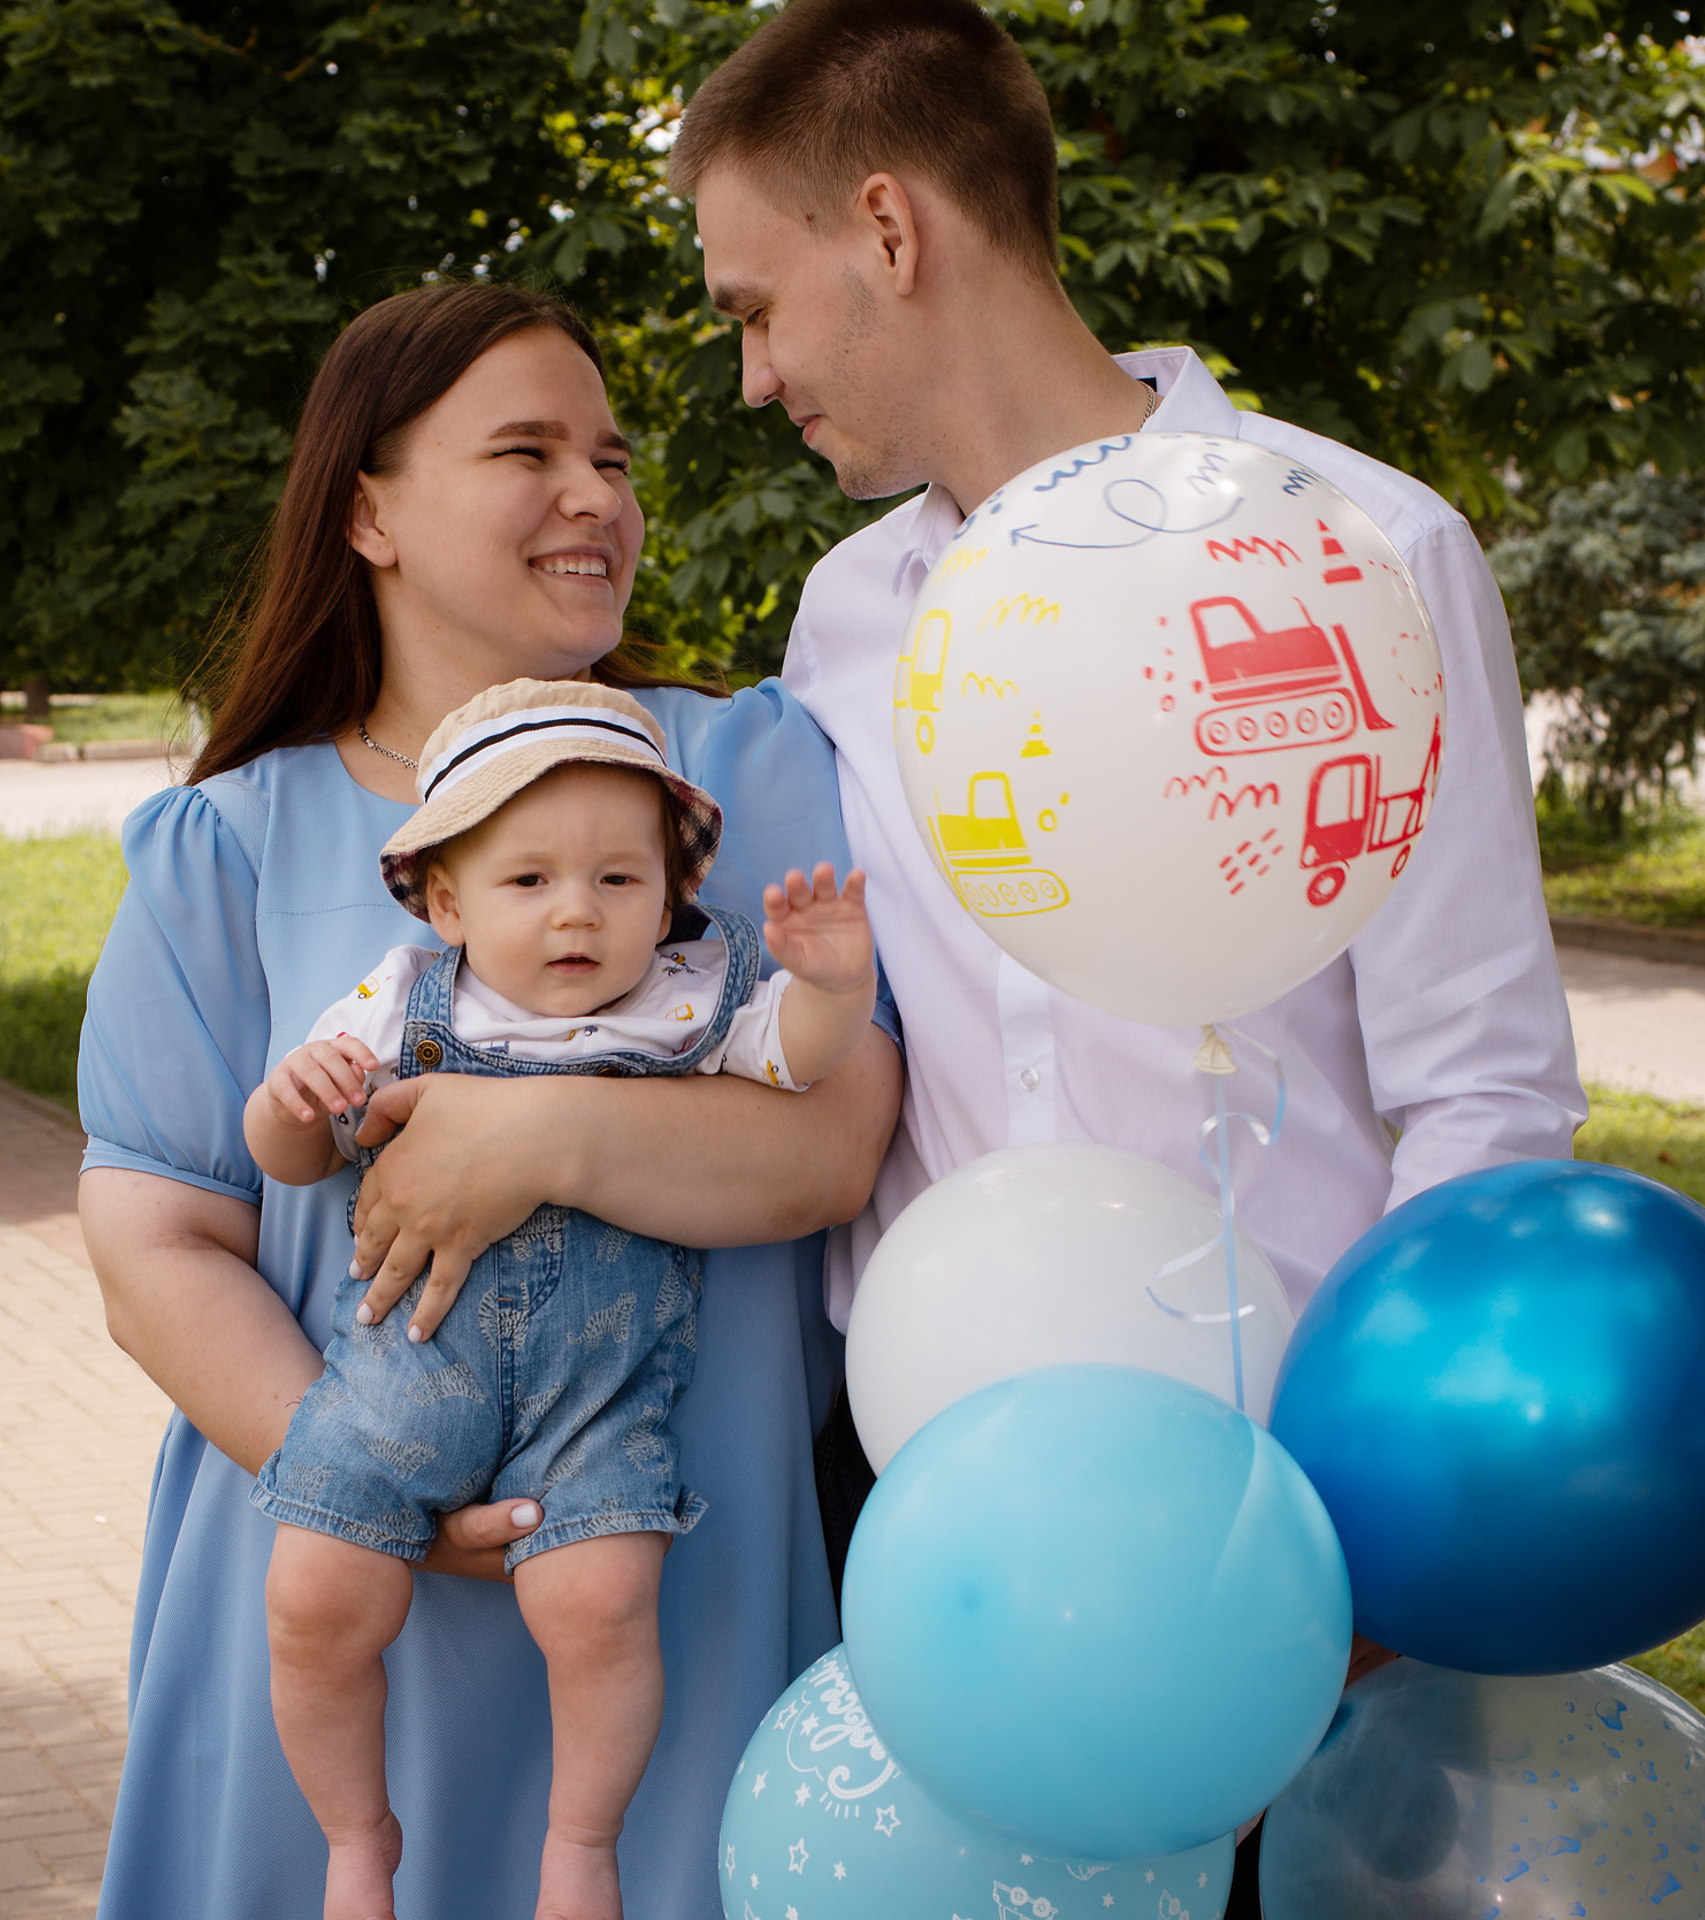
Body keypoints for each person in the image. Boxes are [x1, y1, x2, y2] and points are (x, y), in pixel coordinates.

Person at [669, 0, 1583, 1906]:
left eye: (756, 306)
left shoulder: (1360, 557)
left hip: (1283, 1528)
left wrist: (1367, 1540)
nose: (752, 377)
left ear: (891, 231)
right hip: (946, 1533)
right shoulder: (847, 621)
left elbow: (1481, 1092)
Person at [75, 282, 902, 1918]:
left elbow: (832, 1143)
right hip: (336, 1564)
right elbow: (154, 1236)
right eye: (527, 450)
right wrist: (363, 1482)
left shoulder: (743, 770)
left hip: (679, 1554)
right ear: (367, 510)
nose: (597, 495)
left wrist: (529, 1140)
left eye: (612, 453)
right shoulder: (228, 843)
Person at [246, 676, 877, 1920]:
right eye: (527, 882)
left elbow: (800, 1067)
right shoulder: (400, 1000)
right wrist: (293, 1097)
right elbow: (294, 1157)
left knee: (598, 1603)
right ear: (446, 899)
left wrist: (832, 986)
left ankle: (582, 1847)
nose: (576, 913)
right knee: (316, 1599)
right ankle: (355, 1838)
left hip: (603, 1387)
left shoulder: (687, 999)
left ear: (670, 891)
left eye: (618, 880)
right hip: (403, 1365)